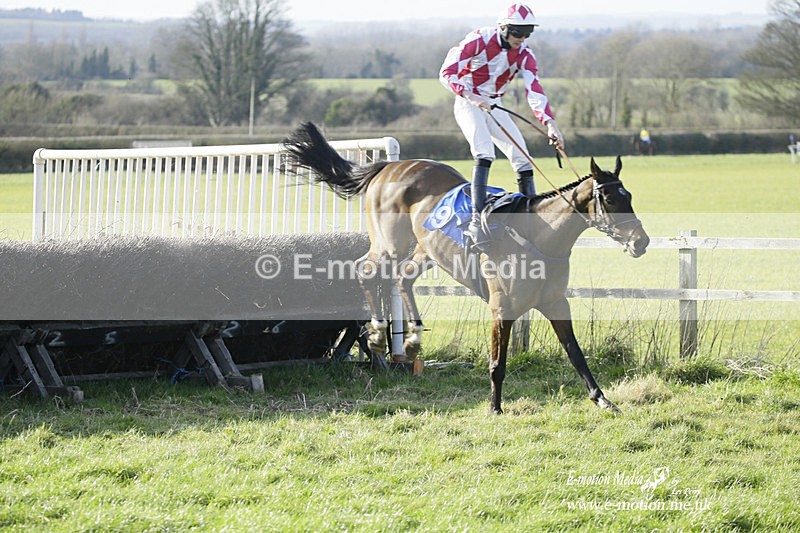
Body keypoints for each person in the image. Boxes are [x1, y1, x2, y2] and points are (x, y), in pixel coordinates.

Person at [439, 3, 564, 250]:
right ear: (503, 27)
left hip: (495, 104)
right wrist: (471, 96)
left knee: (523, 158)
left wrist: (551, 124)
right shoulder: (478, 39)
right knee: (484, 152)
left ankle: (529, 217)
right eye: (518, 32)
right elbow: (446, 73)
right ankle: (477, 218)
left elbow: (534, 90)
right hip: (468, 101)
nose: (522, 38)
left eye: (528, 32)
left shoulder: (525, 54)